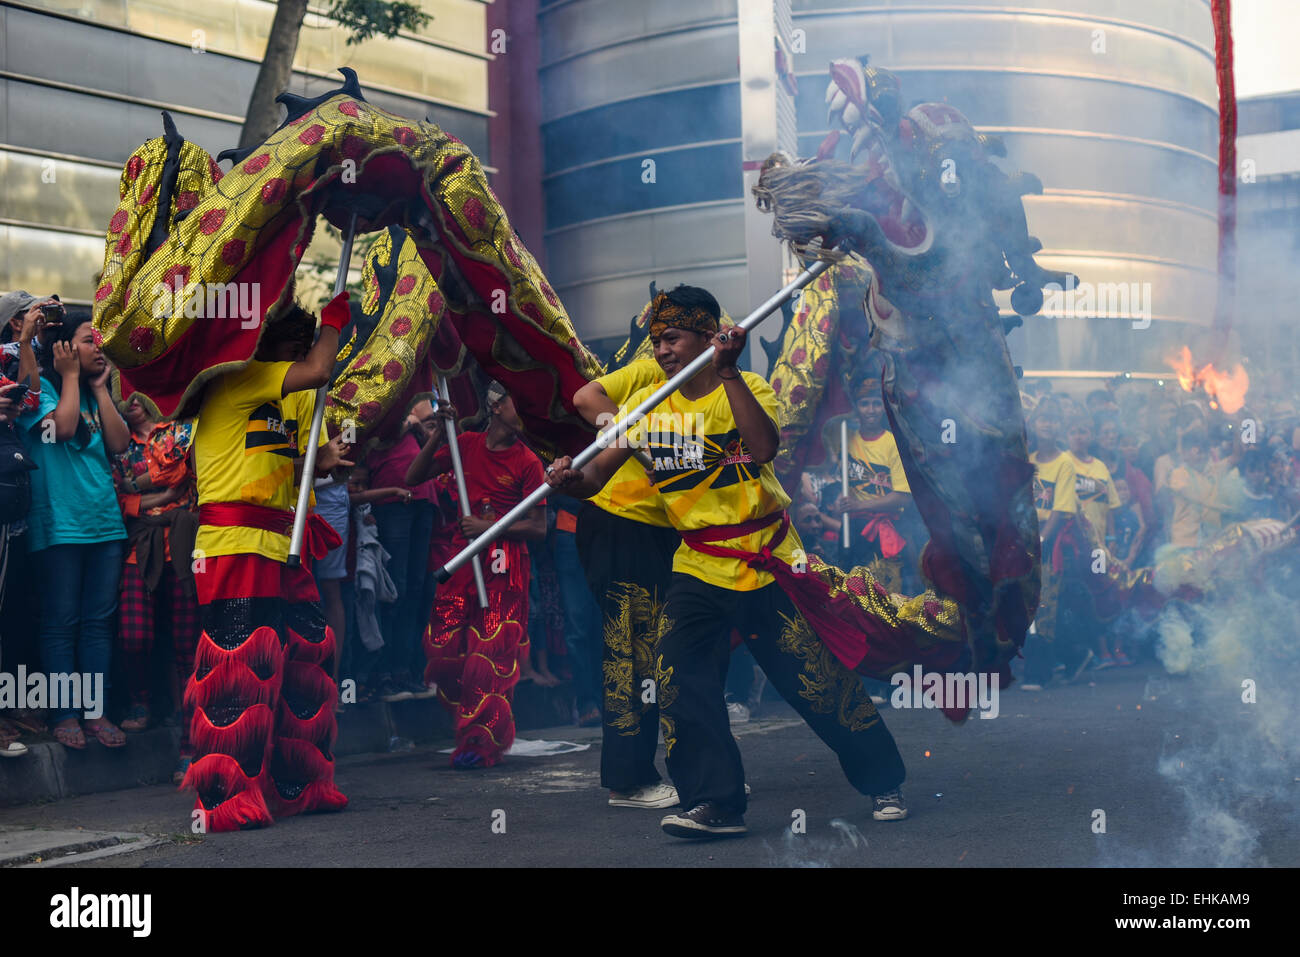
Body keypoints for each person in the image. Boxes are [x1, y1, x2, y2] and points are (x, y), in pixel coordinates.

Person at [547, 285, 910, 839]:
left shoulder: (744, 385)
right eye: (656, 341)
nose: (662, 350)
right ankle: (714, 802)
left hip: (765, 561)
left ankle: (883, 777)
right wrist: (570, 481)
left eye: (672, 338)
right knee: (677, 678)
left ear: (705, 333)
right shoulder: (648, 406)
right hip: (696, 563)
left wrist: (729, 372)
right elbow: (595, 478)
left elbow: (763, 448)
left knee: (811, 681)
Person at [184, 292, 353, 831]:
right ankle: (225, 799)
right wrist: (333, 324)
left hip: (284, 542)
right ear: (263, 345)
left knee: (308, 656)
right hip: (233, 543)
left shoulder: (290, 395)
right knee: (239, 666)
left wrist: (321, 462)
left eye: (304, 345)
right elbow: (321, 367)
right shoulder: (240, 377)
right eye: (292, 345)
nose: (301, 355)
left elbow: (294, 459)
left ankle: (297, 785)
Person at [406, 381, 547, 769]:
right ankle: (467, 728)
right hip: (461, 560)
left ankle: (482, 741)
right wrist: (437, 436)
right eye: (522, 403)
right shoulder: (464, 443)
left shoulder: (528, 462)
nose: (528, 413)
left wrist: (491, 527)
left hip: (503, 566)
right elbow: (413, 477)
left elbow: (538, 528)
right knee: (448, 652)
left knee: (489, 657)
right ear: (498, 406)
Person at [571, 349, 683, 809]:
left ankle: (701, 773)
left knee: (663, 658)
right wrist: (641, 443)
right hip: (620, 526)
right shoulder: (651, 371)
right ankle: (629, 781)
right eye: (662, 337)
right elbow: (585, 398)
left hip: (666, 537)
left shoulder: (718, 385)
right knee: (630, 659)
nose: (667, 349)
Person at [16, 313, 129, 750]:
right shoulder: (40, 390)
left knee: (98, 624)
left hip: (104, 524)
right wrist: (66, 377)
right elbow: (60, 429)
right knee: (61, 623)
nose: (98, 347)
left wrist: (99, 388)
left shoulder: (92, 393)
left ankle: (95, 712)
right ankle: (65, 714)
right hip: (60, 525)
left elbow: (119, 444)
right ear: (64, 348)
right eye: (88, 340)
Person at [111, 395, 201, 778]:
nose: (129, 399)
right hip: (138, 547)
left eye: (136, 391)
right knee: (134, 636)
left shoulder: (177, 429)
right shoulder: (117, 443)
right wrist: (161, 496)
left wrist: (144, 490)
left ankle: (190, 747)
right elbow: (116, 495)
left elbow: (183, 475)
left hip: (181, 545)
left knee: (187, 648)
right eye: (121, 393)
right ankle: (141, 702)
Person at [361, 398, 441, 701]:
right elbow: (377, 434)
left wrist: (420, 425)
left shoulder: (416, 398)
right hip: (392, 500)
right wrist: (408, 422)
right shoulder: (380, 393)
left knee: (418, 588)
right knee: (395, 587)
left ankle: (406, 670)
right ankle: (384, 672)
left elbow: (430, 429)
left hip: (422, 497)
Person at [824, 376, 913, 594]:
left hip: (887, 531)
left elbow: (902, 496)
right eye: (864, 404)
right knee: (851, 594)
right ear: (856, 407)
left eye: (876, 403)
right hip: (851, 529)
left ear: (884, 408)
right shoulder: (845, 437)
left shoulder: (893, 443)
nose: (871, 410)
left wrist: (858, 506)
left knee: (886, 596)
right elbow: (823, 451)